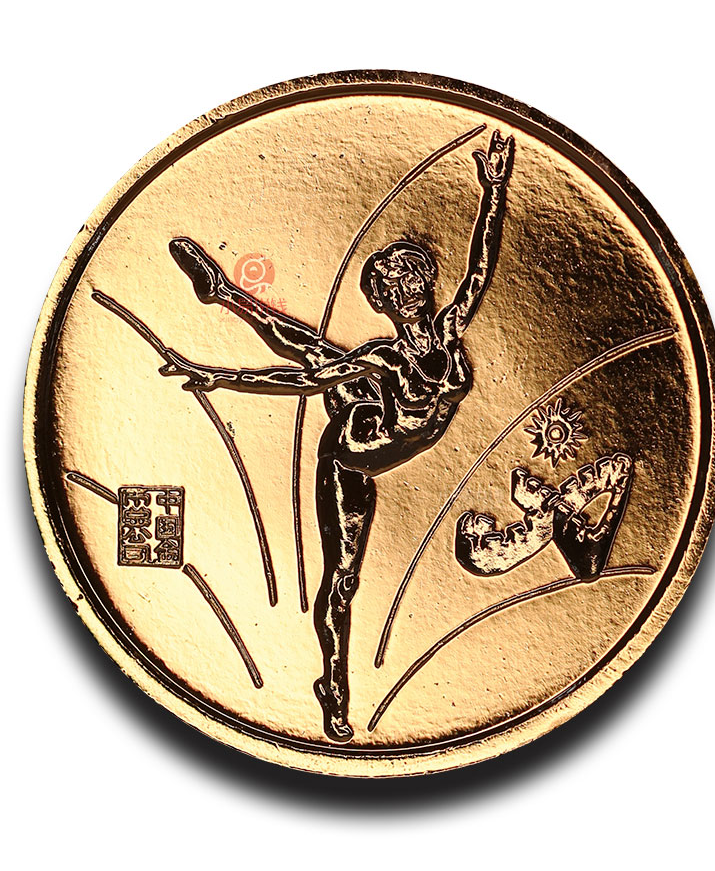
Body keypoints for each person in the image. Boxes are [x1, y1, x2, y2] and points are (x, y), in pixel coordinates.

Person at [162, 130, 515, 741]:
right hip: (351, 453)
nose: (408, 293)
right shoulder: (383, 356)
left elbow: (479, 270)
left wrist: (494, 191)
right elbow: (299, 383)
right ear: (383, 303)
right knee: (342, 575)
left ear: (425, 285)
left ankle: (222, 292)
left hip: (378, 423)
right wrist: (217, 376)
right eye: (394, 288)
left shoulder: (452, 330)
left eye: (412, 280)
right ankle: (335, 687)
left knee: (324, 357)